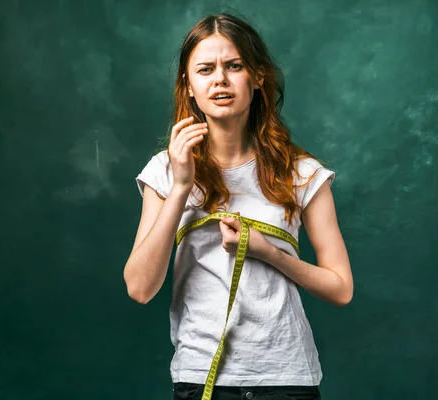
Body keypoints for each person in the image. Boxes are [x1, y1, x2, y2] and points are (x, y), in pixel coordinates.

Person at [123, 13, 353, 400]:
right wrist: (181, 186)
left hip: (287, 378)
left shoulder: (300, 173)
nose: (220, 80)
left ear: (257, 77)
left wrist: (268, 253)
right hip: (201, 375)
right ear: (189, 85)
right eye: (205, 69)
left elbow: (341, 289)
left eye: (234, 66)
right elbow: (140, 288)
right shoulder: (165, 170)